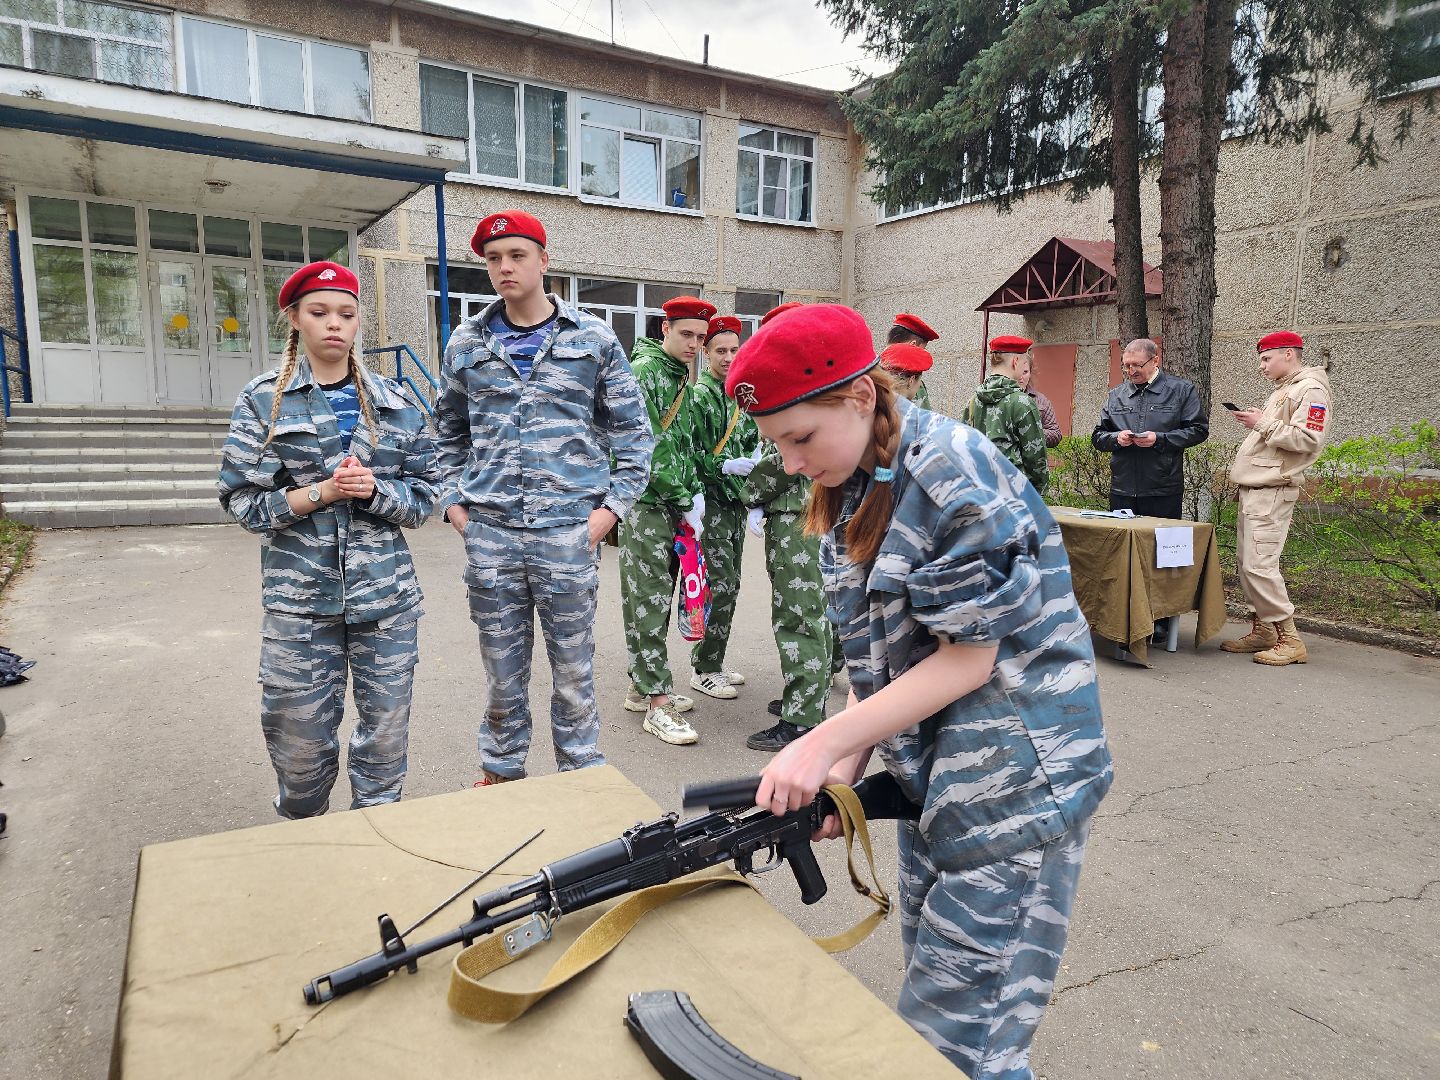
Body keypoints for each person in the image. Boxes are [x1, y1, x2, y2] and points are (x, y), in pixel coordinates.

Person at [725, 303, 1112, 1080]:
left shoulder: (948, 471)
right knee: (947, 1029)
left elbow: (968, 660)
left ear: (861, 396)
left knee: (956, 1044)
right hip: (934, 783)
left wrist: (818, 743)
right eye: (777, 446)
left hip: (1014, 792)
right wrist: (842, 771)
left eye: (800, 438)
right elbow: (877, 658)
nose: (792, 463)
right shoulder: (852, 479)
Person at [434, 210, 653, 784]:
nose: (504, 268)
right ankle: (502, 772)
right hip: (493, 536)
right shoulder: (467, 343)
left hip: (567, 533)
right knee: (502, 672)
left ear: (543, 262)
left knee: (574, 671)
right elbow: (445, 431)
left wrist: (609, 514)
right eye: (493, 259)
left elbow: (634, 434)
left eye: (517, 256)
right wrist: (456, 508)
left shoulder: (592, 339)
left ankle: (580, 775)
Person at [219, 261, 440, 818]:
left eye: (346, 313)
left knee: (385, 739)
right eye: (319, 313)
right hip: (301, 606)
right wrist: (321, 493)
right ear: (294, 319)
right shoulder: (264, 402)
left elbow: (424, 498)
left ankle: (375, 835)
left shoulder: (394, 401)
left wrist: (371, 493)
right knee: (299, 745)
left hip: (385, 604)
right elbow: (241, 502)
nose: (334, 325)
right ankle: (302, 835)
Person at [619, 295, 717, 744]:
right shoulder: (647, 373)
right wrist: (683, 495)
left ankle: (644, 685)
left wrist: (691, 493)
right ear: (665, 329)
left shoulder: (676, 374)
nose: (695, 344)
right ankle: (657, 701)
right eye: (687, 335)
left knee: (658, 596)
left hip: (669, 504)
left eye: (701, 337)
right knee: (648, 600)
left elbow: (680, 444)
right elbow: (648, 445)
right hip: (646, 503)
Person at [740, 301, 835, 752]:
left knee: (799, 614)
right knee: (811, 611)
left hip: (799, 516)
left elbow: (785, 460)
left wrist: (748, 489)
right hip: (805, 512)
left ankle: (802, 718)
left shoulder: (802, 386)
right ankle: (806, 699)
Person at [1220, 331, 1332, 666]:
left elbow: (1308, 439)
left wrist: (1262, 424)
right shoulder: (1285, 389)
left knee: (1260, 565)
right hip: (1257, 489)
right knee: (1248, 564)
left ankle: (1290, 640)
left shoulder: (1311, 389)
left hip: (1272, 490)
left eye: (1266, 358)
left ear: (1288, 354)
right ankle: (1264, 630)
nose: (1261, 366)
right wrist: (1261, 421)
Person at [687, 314, 759, 700]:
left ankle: (714, 657)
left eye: (735, 350)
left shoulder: (736, 397)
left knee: (730, 585)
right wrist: (723, 466)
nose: (729, 357)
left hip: (734, 503)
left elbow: (748, 443)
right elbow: (693, 453)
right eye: (721, 350)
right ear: (706, 351)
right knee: (718, 585)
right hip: (710, 503)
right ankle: (705, 666)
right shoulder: (700, 396)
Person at [1091, 338, 1208, 519]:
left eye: (1137, 365)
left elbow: (1198, 430)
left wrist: (1159, 439)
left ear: (1155, 361)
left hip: (1163, 490)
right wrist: (1116, 439)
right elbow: (1098, 436)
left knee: (1158, 546)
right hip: (1122, 489)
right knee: (1124, 546)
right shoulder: (1116, 395)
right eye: (1126, 366)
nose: (1131, 371)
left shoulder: (1181, 390)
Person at [963, 335, 1049, 493]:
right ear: (1015, 362)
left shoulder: (973, 401)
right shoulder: (1022, 403)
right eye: (1024, 364)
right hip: (1012, 495)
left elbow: (963, 448)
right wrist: (1037, 494)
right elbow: (1035, 459)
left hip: (978, 492)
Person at [889, 313, 939, 408]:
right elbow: (924, 420)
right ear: (913, 345)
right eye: (922, 350)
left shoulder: (869, 372)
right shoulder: (911, 379)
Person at [1016, 355, 1063, 448]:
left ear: (1030, 373)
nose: (1021, 377)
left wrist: (1031, 432)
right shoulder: (999, 396)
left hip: (1032, 459)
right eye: (1017, 372)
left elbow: (1055, 434)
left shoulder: (1040, 400)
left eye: (1025, 372)